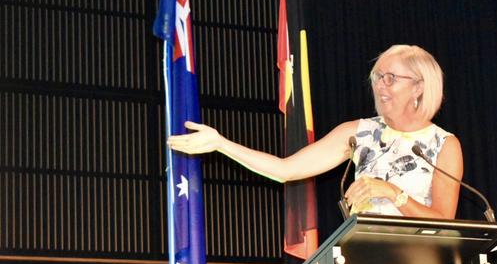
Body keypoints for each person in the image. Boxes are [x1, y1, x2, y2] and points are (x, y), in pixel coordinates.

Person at [167, 44, 463, 219]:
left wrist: (392, 192)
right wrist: (221, 144)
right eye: (377, 77)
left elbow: (444, 221)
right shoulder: (358, 133)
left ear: (419, 87)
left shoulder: (443, 144)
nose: (379, 85)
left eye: (391, 78)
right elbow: (285, 169)